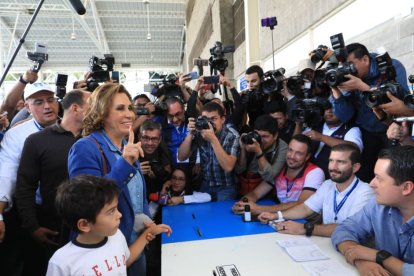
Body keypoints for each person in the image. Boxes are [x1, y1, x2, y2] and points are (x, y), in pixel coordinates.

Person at [68, 83, 149, 276]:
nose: (129, 114)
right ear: (102, 112)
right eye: (120, 108)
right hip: (102, 256)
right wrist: (125, 162)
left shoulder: (126, 146)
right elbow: (87, 201)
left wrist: (146, 222)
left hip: (134, 247)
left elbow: (137, 198)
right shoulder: (84, 148)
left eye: (130, 108)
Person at [13, 90, 90, 275]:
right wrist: (33, 227)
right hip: (52, 233)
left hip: (91, 231)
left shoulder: (94, 140)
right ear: (75, 108)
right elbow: (25, 187)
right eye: (93, 104)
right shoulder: (36, 141)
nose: (99, 109)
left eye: (50, 100)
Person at [46, 175, 171, 276]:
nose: (119, 215)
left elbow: (124, 261)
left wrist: (147, 234)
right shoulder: (61, 263)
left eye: (116, 208)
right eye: (111, 211)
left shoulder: (116, 235)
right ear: (84, 224)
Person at [0, 82, 59, 275]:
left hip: (67, 212)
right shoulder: (16, 135)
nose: (47, 106)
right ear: (27, 106)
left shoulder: (74, 127)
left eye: (51, 100)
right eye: (39, 102)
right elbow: (7, 175)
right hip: (30, 212)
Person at [329, 42, 409, 182]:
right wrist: (337, 93)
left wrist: (364, 87)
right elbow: (345, 116)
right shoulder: (348, 78)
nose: (348, 70)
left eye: (351, 64)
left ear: (365, 60)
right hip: (366, 132)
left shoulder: (390, 66)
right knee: (364, 174)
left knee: (395, 174)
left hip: (392, 129)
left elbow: (402, 105)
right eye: (344, 66)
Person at [258, 144, 373, 237]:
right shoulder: (328, 184)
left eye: (340, 162)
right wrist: (276, 216)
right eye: (331, 160)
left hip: (351, 248)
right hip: (328, 243)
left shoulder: (365, 192)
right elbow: (306, 208)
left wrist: (304, 228)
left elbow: (348, 228)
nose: (333, 167)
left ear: (355, 167)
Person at [332, 146, 414, 276]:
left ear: (406, 188)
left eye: (379, 178)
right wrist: (361, 260)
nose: (371, 183)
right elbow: (344, 229)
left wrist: (381, 257)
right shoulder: (378, 205)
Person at [232, 134, 324, 215]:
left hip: (304, 221)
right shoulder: (281, 168)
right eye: (290, 150)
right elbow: (256, 193)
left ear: (307, 156)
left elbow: (301, 204)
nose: (292, 156)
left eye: (298, 153)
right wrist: (243, 204)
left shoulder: (315, 172)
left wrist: (259, 209)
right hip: (279, 218)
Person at [178, 102, 240, 201]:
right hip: (206, 184)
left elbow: (228, 167)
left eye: (213, 119)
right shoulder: (200, 131)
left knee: (222, 215)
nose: (209, 123)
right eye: (206, 119)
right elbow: (181, 157)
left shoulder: (231, 135)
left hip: (226, 187)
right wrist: (190, 134)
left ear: (222, 119)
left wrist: (213, 139)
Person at [302, 105, 363, 178]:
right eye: (326, 108)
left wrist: (322, 137)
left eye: (334, 108)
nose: (329, 111)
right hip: (306, 173)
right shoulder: (314, 125)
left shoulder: (352, 129)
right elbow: (295, 145)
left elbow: (354, 149)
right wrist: (298, 124)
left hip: (332, 177)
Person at [236, 114, 288, 195]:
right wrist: (243, 149)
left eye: (265, 136)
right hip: (243, 187)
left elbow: (269, 177)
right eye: (258, 136)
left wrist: (258, 152)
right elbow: (239, 170)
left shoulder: (283, 148)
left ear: (275, 135)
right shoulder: (250, 138)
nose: (260, 140)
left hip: (266, 192)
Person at [138, 120, 172, 203]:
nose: (150, 143)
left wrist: (157, 176)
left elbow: (168, 175)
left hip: (157, 195)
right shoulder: (130, 152)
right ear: (139, 137)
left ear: (160, 139)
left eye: (154, 139)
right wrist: (136, 172)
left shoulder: (163, 151)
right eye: (146, 138)